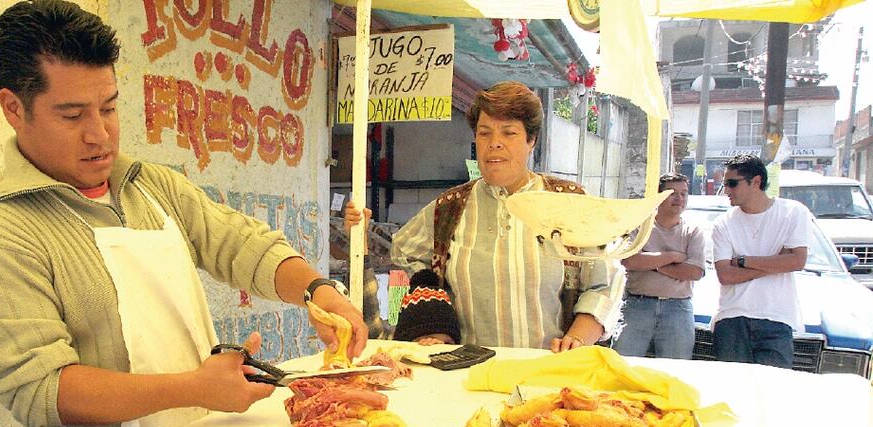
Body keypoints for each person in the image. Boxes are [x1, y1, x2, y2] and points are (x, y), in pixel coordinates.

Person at [0, 0, 367, 427]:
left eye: (108, 107)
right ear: (13, 108)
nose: (99, 134)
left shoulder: (148, 185)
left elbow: (240, 243)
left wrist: (319, 292)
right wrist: (195, 388)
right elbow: (42, 390)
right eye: (72, 115)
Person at [347, 81, 623, 351]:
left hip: (547, 372)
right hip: (468, 376)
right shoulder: (450, 208)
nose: (495, 144)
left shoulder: (568, 202)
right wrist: (433, 321)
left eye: (509, 133)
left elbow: (603, 284)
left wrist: (578, 338)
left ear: (531, 140)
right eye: (485, 133)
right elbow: (408, 256)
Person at [710, 154, 811, 368]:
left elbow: (797, 261)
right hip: (732, 316)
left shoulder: (792, 212)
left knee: (771, 392)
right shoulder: (723, 223)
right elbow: (726, 275)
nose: (726, 190)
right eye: (724, 184)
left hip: (776, 317)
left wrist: (743, 261)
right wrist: (776, 263)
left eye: (732, 183)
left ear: (756, 182)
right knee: (731, 391)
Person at [613, 173, 705, 359]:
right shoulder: (639, 227)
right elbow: (629, 261)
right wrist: (672, 257)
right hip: (637, 305)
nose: (679, 199)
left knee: (675, 370)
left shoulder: (693, 231)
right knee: (624, 364)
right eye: (673, 193)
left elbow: (694, 272)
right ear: (658, 195)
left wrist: (652, 264)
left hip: (678, 308)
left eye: (684, 193)